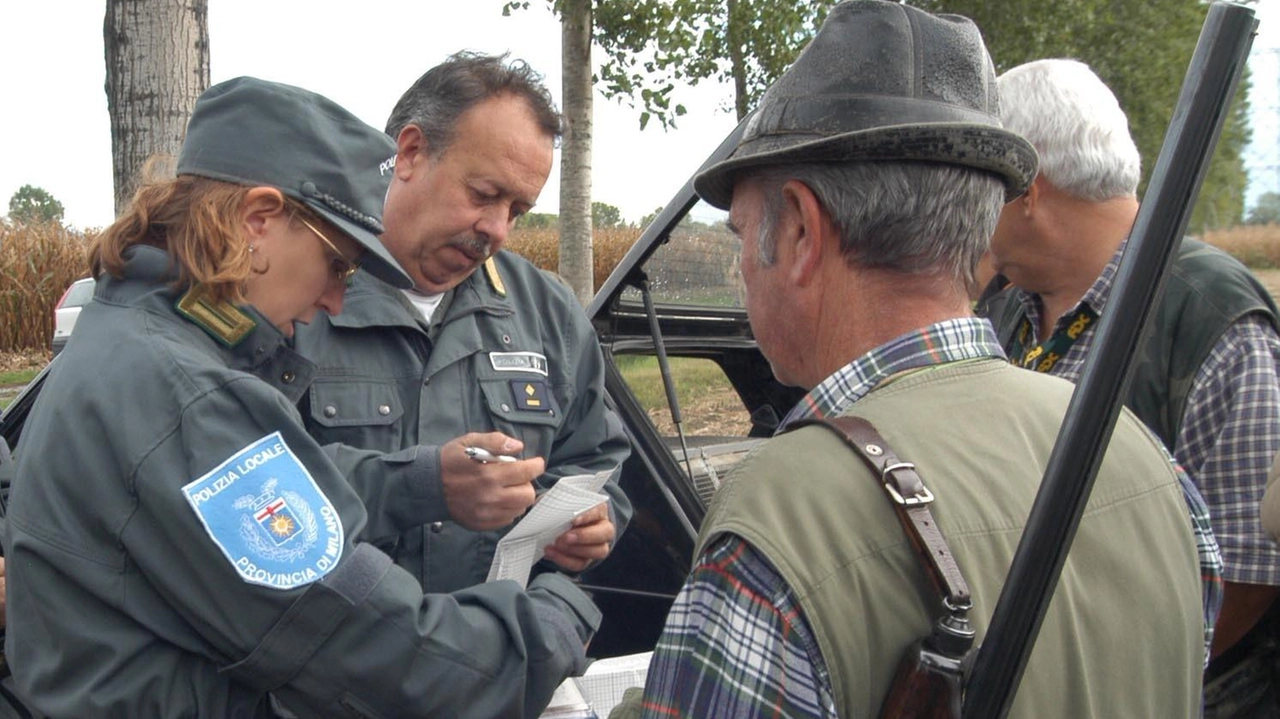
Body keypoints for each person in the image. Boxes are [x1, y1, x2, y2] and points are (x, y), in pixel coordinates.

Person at [612, 2, 1214, 717]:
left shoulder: (785, 519)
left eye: (742, 232)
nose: (742, 267)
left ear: (802, 229)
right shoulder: (1142, 453)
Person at [4, 76, 600, 718]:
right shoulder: (186, 395)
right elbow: (382, 651)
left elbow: (270, 490)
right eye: (339, 265)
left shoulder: (129, 332)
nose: (337, 300)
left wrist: (421, 483)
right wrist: (563, 614)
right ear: (259, 220)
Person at [985, 58, 1280, 717]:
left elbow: (1250, 569)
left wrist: (1122, 682)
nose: (971, 212)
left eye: (981, 183)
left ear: (1027, 188)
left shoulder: (1210, 317)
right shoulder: (1010, 308)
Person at [292, 52, 631, 594]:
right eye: (484, 195)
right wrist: (418, 487)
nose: (496, 229)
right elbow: (240, 482)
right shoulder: (298, 289)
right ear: (410, 152)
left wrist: (592, 518)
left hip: (493, 656)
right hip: (327, 664)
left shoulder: (548, 313)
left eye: (517, 210)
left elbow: (597, 458)